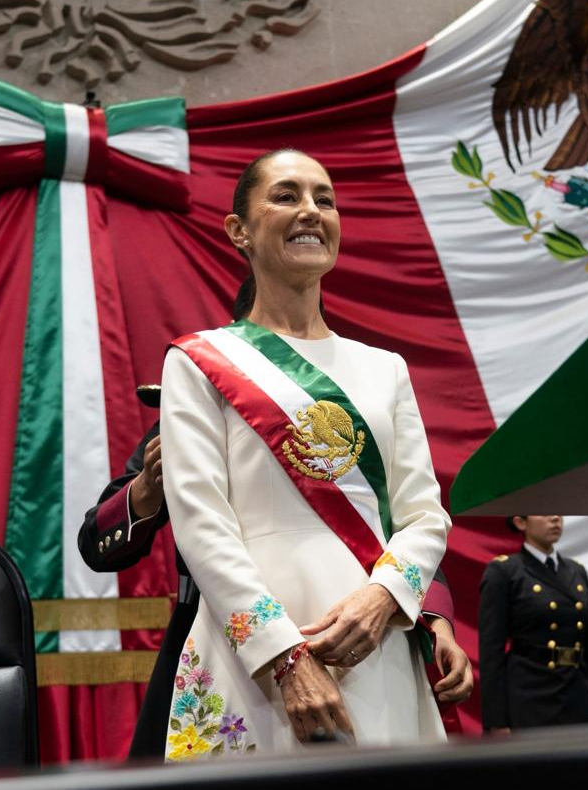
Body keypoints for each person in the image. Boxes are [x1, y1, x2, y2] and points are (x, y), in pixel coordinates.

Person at [155, 149, 453, 757]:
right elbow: (202, 526)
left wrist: (385, 599)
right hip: (255, 658)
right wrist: (285, 658)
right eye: (286, 196)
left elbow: (425, 514)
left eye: (325, 198)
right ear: (239, 230)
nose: (311, 211)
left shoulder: (385, 369)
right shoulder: (197, 362)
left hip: (374, 645)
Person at [77, 393, 472, 760]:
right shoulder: (204, 389)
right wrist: (147, 487)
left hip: (360, 636)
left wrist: (435, 620)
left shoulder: (353, 392)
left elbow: (397, 521)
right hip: (220, 634)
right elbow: (96, 544)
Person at [479, 515, 588, 732]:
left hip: (577, 693)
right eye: (544, 511)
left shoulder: (576, 571)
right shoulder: (506, 571)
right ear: (521, 522)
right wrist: (497, 721)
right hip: (530, 694)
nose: (555, 518)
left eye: (558, 512)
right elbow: (492, 653)